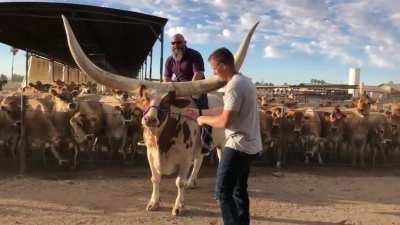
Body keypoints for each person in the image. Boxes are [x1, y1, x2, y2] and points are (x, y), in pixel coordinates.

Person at [184, 47, 262, 225]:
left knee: (222, 193)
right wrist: (199, 111)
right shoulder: (245, 81)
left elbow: (225, 121)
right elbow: (227, 109)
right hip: (251, 145)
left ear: (223, 66)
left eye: (214, 68)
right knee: (238, 190)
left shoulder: (234, 86)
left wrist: (203, 119)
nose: (213, 72)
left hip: (238, 146)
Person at [164, 33, 213, 154]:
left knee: (202, 111)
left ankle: (206, 142)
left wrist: (189, 91)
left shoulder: (194, 55)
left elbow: (198, 74)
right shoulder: (170, 59)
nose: (176, 45)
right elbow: (166, 77)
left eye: (179, 42)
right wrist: (171, 88)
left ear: (185, 42)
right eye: (173, 43)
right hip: (179, 87)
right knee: (163, 107)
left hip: (196, 87)